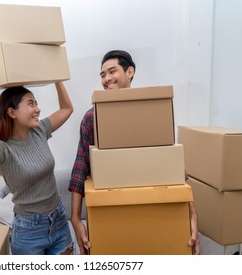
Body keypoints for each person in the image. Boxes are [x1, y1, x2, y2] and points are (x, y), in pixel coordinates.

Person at [69, 50, 200, 255]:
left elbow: (169, 160)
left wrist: (191, 211)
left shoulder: (151, 109)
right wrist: (76, 219)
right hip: (111, 207)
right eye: (102, 75)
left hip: (154, 207)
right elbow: (80, 167)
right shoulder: (92, 118)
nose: (106, 79)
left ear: (130, 71)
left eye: (112, 71)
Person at [0, 43, 74, 255]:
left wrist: (56, 74)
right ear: (12, 112)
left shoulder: (39, 130)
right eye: (30, 103)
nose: (38, 108)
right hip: (29, 232)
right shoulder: (2, 152)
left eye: (36, 102)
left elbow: (67, 108)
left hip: (58, 220)